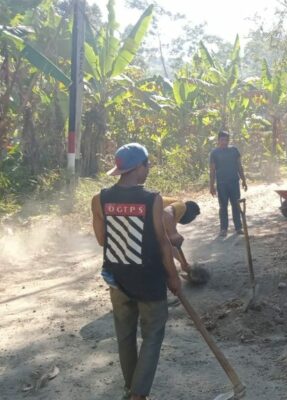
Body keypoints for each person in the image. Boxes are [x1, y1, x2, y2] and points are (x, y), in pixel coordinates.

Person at [90, 143, 181, 400]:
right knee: (152, 335)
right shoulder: (152, 199)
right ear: (139, 167)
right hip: (149, 281)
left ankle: (132, 389)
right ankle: (138, 395)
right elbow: (163, 243)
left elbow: (101, 239)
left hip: (117, 279)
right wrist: (173, 277)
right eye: (147, 164)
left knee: (125, 336)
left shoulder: (100, 199)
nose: (148, 169)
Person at [209, 130, 248, 237]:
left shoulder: (234, 150)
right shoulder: (214, 153)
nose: (224, 142)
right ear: (218, 140)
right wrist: (211, 186)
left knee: (236, 205)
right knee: (223, 206)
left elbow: (239, 166)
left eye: (226, 140)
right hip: (221, 184)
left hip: (234, 182)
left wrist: (244, 180)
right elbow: (212, 171)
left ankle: (238, 227)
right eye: (222, 140)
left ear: (228, 140)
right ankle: (223, 229)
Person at [162, 198, 201, 274]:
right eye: (193, 217)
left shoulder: (172, 220)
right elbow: (166, 213)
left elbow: (170, 244)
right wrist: (173, 233)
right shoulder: (181, 206)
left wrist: (182, 262)